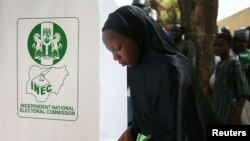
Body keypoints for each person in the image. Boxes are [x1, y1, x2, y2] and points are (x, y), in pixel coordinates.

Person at [102, 5, 211, 141]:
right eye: (110, 51)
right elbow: (145, 116)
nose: (115, 57)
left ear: (137, 34)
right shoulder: (135, 68)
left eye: (117, 48)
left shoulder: (173, 71)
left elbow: (184, 130)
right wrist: (132, 130)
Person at [210, 32, 249, 124]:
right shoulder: (219, 64)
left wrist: (237, 116)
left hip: (230, 115)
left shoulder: (234, 63)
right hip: (218, 114)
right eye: (215, 45)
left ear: (229, 45)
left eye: (220, 45)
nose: (216, 48)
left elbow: (243, 93)